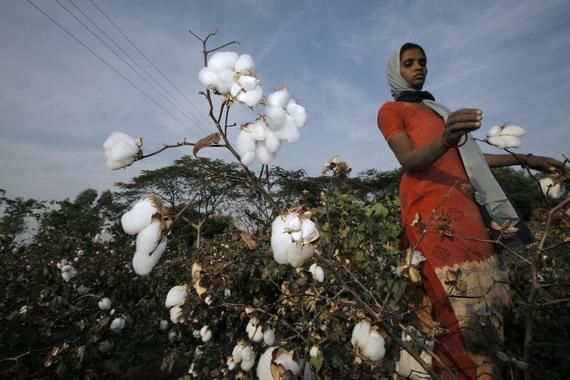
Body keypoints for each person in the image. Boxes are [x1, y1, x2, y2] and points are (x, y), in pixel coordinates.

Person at [377, 43, 562, 379]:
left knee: (485, 305)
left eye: (422, 62)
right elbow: (408, 160)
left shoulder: (437, 111)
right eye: (409, 63)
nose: (418, 68)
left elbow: (470, 159)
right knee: (450, 308)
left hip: (468, 210)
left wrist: (527, 159)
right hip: (430, 213)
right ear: (396, 71)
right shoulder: (391, 111)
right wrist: (448, 137)